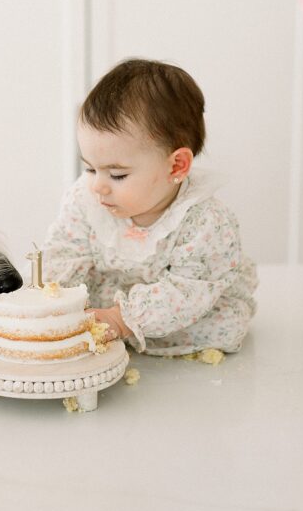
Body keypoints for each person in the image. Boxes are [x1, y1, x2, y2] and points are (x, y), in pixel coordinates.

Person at [42, 58, 258, 356]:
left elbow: (187, 290)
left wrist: (121, 319)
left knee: (224, 324)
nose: (98, 186)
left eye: (117, 174)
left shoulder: (206, 222)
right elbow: (65, 249)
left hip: (185, 304)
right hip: (111, 294)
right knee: (71, 299)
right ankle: (110, 323)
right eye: (91, 169)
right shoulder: (87, 200)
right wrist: (52, 296)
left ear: (177, 165)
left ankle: (130, 328)